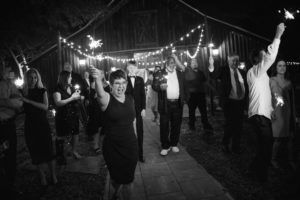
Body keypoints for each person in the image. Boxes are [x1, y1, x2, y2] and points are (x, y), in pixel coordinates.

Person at [89, 66, 138, 200]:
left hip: (131, 147)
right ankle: (116, 192)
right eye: (117, 83)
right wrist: (98, 79)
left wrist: (136, 140)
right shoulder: (106, 100)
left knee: (129, 180)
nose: (121, 86)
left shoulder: (130, 99)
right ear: (111, 85)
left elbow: (132, 121)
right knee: (116, 179)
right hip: (113, 149)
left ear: (127, 84)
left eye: (123, 83)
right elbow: (99, 93)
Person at [247, 23, 285, 183]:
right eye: (262, 57)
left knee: (264, 146)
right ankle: (260, 176)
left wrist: (273, 105)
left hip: (262, 115)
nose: (265, 60)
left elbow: (265, 93)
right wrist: (277, 36)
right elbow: (271, 57)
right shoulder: (255, 71)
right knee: (266, 146)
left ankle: (256, 172)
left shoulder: (262, 75)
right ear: (257, 59)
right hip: (258, 116)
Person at [21, 68, 57, 186]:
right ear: (26, 78)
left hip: (42, 124)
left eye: (35, 77)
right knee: (34, 150)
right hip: (30, 125)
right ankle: (42, 176)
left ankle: (53, 174)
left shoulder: (42, 91)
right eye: (30, 77)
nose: (33, 80)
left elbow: (45, 107)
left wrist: (29, 101)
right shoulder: (23, 92)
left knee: (48, 149)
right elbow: (19, 108)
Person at [208, 53, 248, 154]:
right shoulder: (224, 70)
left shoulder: (242, 72)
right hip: (229, 103)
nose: (235, 62)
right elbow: (213, 76)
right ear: (228, 61)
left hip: (240, 103)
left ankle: (236, 147)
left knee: (239, 125)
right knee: (230, 124)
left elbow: (246, 86)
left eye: (236, 60)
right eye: (232, 60)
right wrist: (211, 65)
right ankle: (225, 144)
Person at [152, 54, 188, 156]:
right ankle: (165, 146)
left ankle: (174, 144)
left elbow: (184, 86)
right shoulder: (160, 73)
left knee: (176, 124)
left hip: (177, 103)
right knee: (164, 125)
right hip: (165, 104)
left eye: (174, 63)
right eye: (171, 63)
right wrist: (160, 87)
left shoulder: (179, 73)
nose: (173, 65)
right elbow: (154, 85)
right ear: (166, 63)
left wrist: (185, 98)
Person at [270, 59, 297, 170]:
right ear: (275, 68)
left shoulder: (289, 82)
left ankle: (290, 160)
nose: (282, 68)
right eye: (279, 66)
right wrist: (271, 110)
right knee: (278, 139)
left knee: (290, 137)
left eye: (284, 66)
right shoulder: (272, 80)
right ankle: (273, 159)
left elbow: (292, 100)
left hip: (288, 112)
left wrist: (294, 115)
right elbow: (271, 95)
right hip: (277, 112)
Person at [0, 66, 23, 199]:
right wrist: (9, 102)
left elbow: (19, 101)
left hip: (8, 125)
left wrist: (4, 102)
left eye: (10, 70)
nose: (10, 73)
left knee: (10, 157)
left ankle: (9, 187)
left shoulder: (10, 85)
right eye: (8, 71)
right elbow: (13, 102)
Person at [53, 70, 83, 166]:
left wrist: (79, 97)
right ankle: (60, 156)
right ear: (64, 78)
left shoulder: (71, 87)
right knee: (61, 135)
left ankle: (74, 151)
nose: (71, 78)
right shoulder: (57, 89)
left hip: (73, 115)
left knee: (75, 133)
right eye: (70, 77)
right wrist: (72, 98)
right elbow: (58, 102)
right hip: (62, 116)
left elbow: (75, 97)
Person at [125, 60, 146, 162]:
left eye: (134, 67)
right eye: (130, 67)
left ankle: (140, 154)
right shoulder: (124, 80)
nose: (132, 69)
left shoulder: (140, 80)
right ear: (127, 68)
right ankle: (130, 155)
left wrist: (143, 108)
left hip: (138, 110)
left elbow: (143, 95)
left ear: (136, 68)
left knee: (140, 131)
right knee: (129, 133)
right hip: (128, 110)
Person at [184, 58, 213, 131]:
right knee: (191, 111)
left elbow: (205, 82)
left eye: (196, 62)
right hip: (192, 95)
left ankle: (206, 125)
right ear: (190, 64)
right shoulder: (188, 72)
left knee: (203, 111)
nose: (195, 63)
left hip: (201, 94)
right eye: (193, 62)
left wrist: (212, 88)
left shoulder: (201, 72)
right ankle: (191, 125)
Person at [86, 70, 109, 153]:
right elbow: (91, 97)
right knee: (97, 127)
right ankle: (95, 145)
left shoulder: (107, 84)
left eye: (102, 73)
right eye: (100, 73)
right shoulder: (93, 84)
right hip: (96, 108)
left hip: (106, 108)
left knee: (105, 127)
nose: (101, 75)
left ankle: (103, 144)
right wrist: (97, 95)